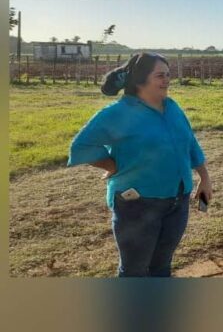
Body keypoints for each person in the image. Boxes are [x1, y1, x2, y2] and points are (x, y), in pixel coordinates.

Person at [68, 53, 212, 277]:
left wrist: (204, 178)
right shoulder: (118, 113)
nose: (167, 80)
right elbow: (81, 147)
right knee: (134, 271)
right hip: (138, 205)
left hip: (177, 202)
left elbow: (190, 142)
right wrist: (112, 165)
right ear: (139, 81)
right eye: (160, 75)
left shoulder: (172, 107)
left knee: (162, 267)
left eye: (168, 75)